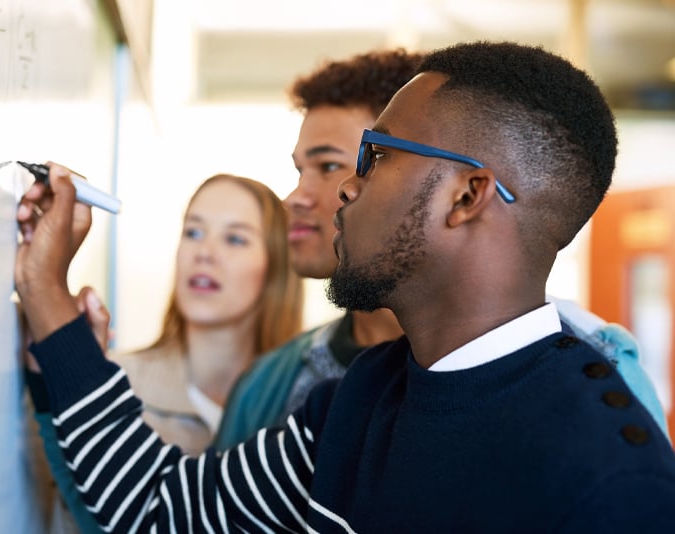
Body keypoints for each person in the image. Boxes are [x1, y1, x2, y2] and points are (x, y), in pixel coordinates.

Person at [16, 41, 675, 532]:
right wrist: (48, 296)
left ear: (468, 195)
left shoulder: (612, 483)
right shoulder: (360, 399)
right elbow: (156, 505)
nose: (347, 189)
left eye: (377, 156)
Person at [215, 47, 668, 449]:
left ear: (464, 194)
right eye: (299, 171)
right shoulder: (290, 388)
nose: (298, 197)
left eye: (361, 159)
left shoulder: (598, 394)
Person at [25, 173, 304, 532]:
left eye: (235, 238)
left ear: (277, 266)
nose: (205, 253)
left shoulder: (301, 401)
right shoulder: (112, 383)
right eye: (193, 232)